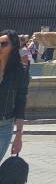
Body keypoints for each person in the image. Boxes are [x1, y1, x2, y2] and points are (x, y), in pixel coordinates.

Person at [0, 30, 28, 163]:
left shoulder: (20, 72)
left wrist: (18, 136)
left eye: (3, 44)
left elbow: (20, 103)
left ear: (14, 47)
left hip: (3, 127)